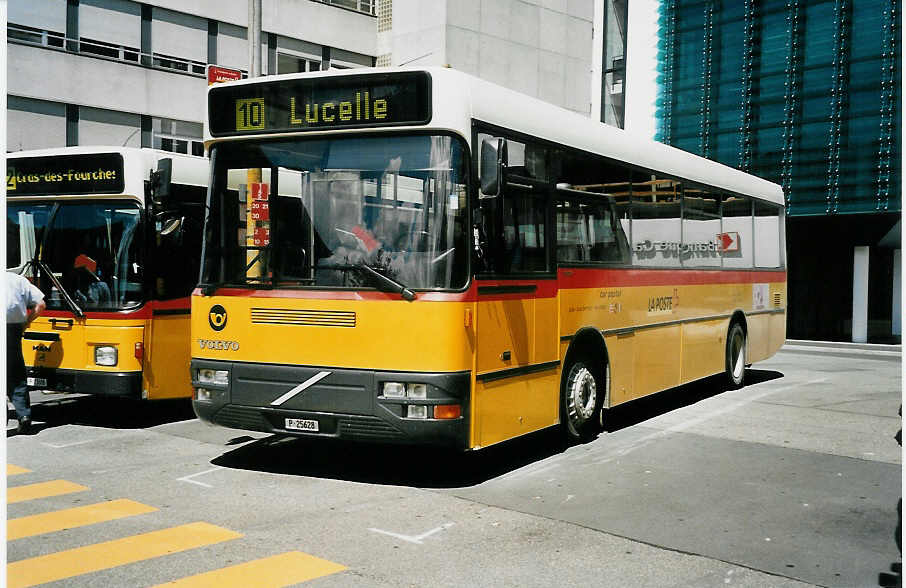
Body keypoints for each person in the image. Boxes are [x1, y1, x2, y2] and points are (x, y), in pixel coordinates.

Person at [6, 271, 46, 434]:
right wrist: (26, 324)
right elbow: (41, 305)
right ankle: (24, 415)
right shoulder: (18, 280)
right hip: (13, 329)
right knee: (16, 373)